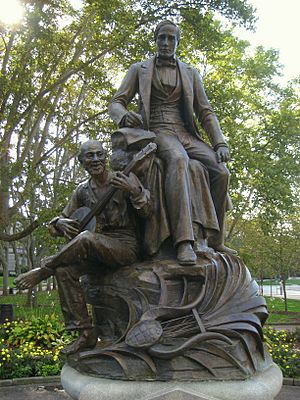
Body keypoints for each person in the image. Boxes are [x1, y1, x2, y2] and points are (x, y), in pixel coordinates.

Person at [109, 20, 236, 265]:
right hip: (157, 130)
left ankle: (216, 239)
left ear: (177, 42)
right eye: (161, 38)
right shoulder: (139, 69)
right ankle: (183, 241)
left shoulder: (190, 72)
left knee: (221, 171)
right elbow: (117, 102)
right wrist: (123, 115)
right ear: (155, 40)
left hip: (186, 133)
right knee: (179, 160)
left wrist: (220, 143)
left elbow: (205, 111)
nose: (166, 43)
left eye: (171, 39)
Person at [15, 140, 151, 355]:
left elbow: (148, 213)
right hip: (96, 252)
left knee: (86, 238)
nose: (96, 160)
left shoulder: (124, 177)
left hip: (125, 247)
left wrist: (134, 191)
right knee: (64, 271)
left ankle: (44, 269)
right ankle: (85, 334)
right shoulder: (82, 191)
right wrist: (58, 223)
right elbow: (58, 223)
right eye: (90, 156)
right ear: (81, 161)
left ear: (105, 157)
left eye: (99, 154)